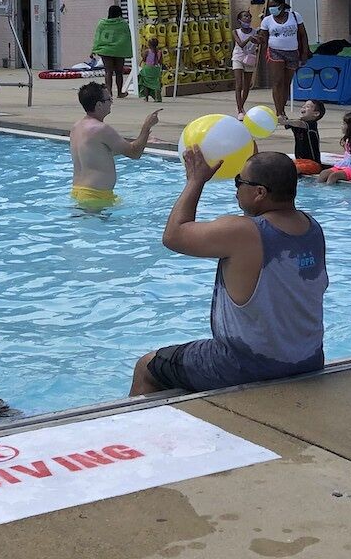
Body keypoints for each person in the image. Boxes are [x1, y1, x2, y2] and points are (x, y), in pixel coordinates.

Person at [131, 149, 327, 395]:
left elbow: (173, 236)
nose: (236, 190)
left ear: (259, 193)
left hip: (246, 365)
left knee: (146, 367)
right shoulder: (312, 228)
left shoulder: (243, 231)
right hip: (308, 359)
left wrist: (196, 181)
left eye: (239, 182)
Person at [69, 82, 158, 209]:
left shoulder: (76, 127)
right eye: (109, 99)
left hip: (78, 192)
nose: (111, 102)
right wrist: (146, 127)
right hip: (96, 197)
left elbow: (101, 152)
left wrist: (144, 139)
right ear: (99, 105)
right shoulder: (101, 129)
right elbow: (134, 153)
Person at [258, 0, 309, 119]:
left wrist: (304, 53)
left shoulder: (295, 16)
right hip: (275, 52)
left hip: (292, 52)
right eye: (269, 7)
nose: (271, 9)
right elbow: (263, 38)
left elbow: (303, 35)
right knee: (277, 82)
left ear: (281, 5)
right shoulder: (267, 20)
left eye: (273, 6)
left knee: (287, 82)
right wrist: (258, 41)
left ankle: (282, 107)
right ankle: (279, 112)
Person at [90, 5, 133, 99]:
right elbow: (127, 38)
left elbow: (98, 37)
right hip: (119, 50)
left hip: (106, 50)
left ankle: (109, 92)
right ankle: (119, 92)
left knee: (108, 72)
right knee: (119, 72)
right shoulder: (123, 24)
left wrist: (94, 49)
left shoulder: (102, 23)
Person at [280, 98, 326, 175]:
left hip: (313, 164)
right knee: (281, 165)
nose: (303, 107)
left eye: (307, 106)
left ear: (316, 114)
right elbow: (288, 123)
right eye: (303, 106)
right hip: (299, 161)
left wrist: (285, 121)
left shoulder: (312, 124)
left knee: (292, 169)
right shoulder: (296, 124)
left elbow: (299, 124)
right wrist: (280, 116)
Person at [231, 10, 260, 113]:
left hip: (250, 59)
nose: (247, 18)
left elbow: (259, 43)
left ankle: (241, 105)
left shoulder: (255, 31)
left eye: (249, 16)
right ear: (240, 20)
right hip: (238, 57)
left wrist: (257, 40)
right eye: (245, 16)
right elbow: (240, 44)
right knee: (239, 84)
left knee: (247, 85)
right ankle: (239, 110)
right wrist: (249, 39)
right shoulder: (236, 32)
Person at [137, 37, 164, 102]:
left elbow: (144, 59)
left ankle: (146, 98)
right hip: (156, 69)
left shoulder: (147, 51)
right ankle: (157, 98)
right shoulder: (159, 52)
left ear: (149, 45)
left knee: (145, 83)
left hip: (147, 69)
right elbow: (160, 62)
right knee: (156, 84)